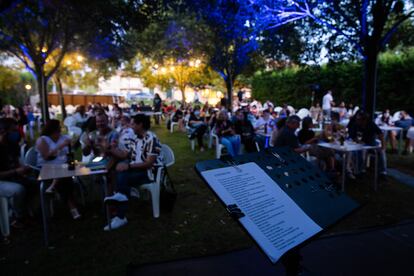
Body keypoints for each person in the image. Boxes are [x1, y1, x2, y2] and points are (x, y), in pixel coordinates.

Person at [103, 114, 162, 230]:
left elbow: (149, 163)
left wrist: (128, 166)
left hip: (149, 173)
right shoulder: (135, 138)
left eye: (133, 124)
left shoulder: (151, 138)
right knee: (119, 171)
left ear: (140, 125)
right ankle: (122, 196)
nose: (131, 126)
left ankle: (120, 215)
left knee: (123, 175)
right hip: (137, 170)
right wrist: (110, 148)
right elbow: (124, 154)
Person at [35, 119, 81, 219]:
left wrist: (72, 143)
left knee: (66, 175)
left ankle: (54, 186)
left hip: (63, 167)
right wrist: (61, 146)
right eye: (58, 128)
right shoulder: (42, 140)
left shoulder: (63, 138)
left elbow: (71, 151)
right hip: (46, 169)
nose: (60, 130)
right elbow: (46, 156)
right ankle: (73, 208)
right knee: (66, 179)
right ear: (53, 129)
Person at [0, 118, 36, 230]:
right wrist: (16, 171)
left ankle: (25, 211)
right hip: (2, 181)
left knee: (35, 184)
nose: (16, 134)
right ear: (3, 131)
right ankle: (16, 217)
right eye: (13, 131)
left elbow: (15, 162)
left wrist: (23, 169)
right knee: (18, 189)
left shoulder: (12, 145)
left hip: (12, 176)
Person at [348, 111, 387, 175]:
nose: (357, 121)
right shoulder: (355, 125)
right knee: (358, 151)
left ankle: (383, 171)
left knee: (382, 152)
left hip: (371, 143)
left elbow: (380, 134)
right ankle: (359, 170)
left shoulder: (371, 124)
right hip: (360, 144)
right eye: (357, 119)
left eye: (359, 119)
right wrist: (357, 141)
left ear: (364, 120)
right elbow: (352, 136)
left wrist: (383, 145)